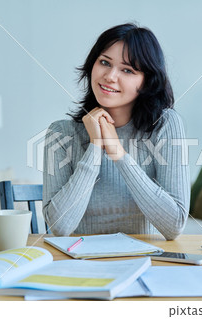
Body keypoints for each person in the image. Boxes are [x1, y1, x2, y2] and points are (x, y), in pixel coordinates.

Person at [42, 23, 189, 240]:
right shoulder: (61, 133)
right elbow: (60, 227)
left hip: (145, 260)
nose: (110, 76)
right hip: (82, 263)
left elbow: (174, 225)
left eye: (127, 70)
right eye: (104, 62)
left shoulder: (165, 124)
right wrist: (95, 147)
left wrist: (118, 153)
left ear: (147, 81)